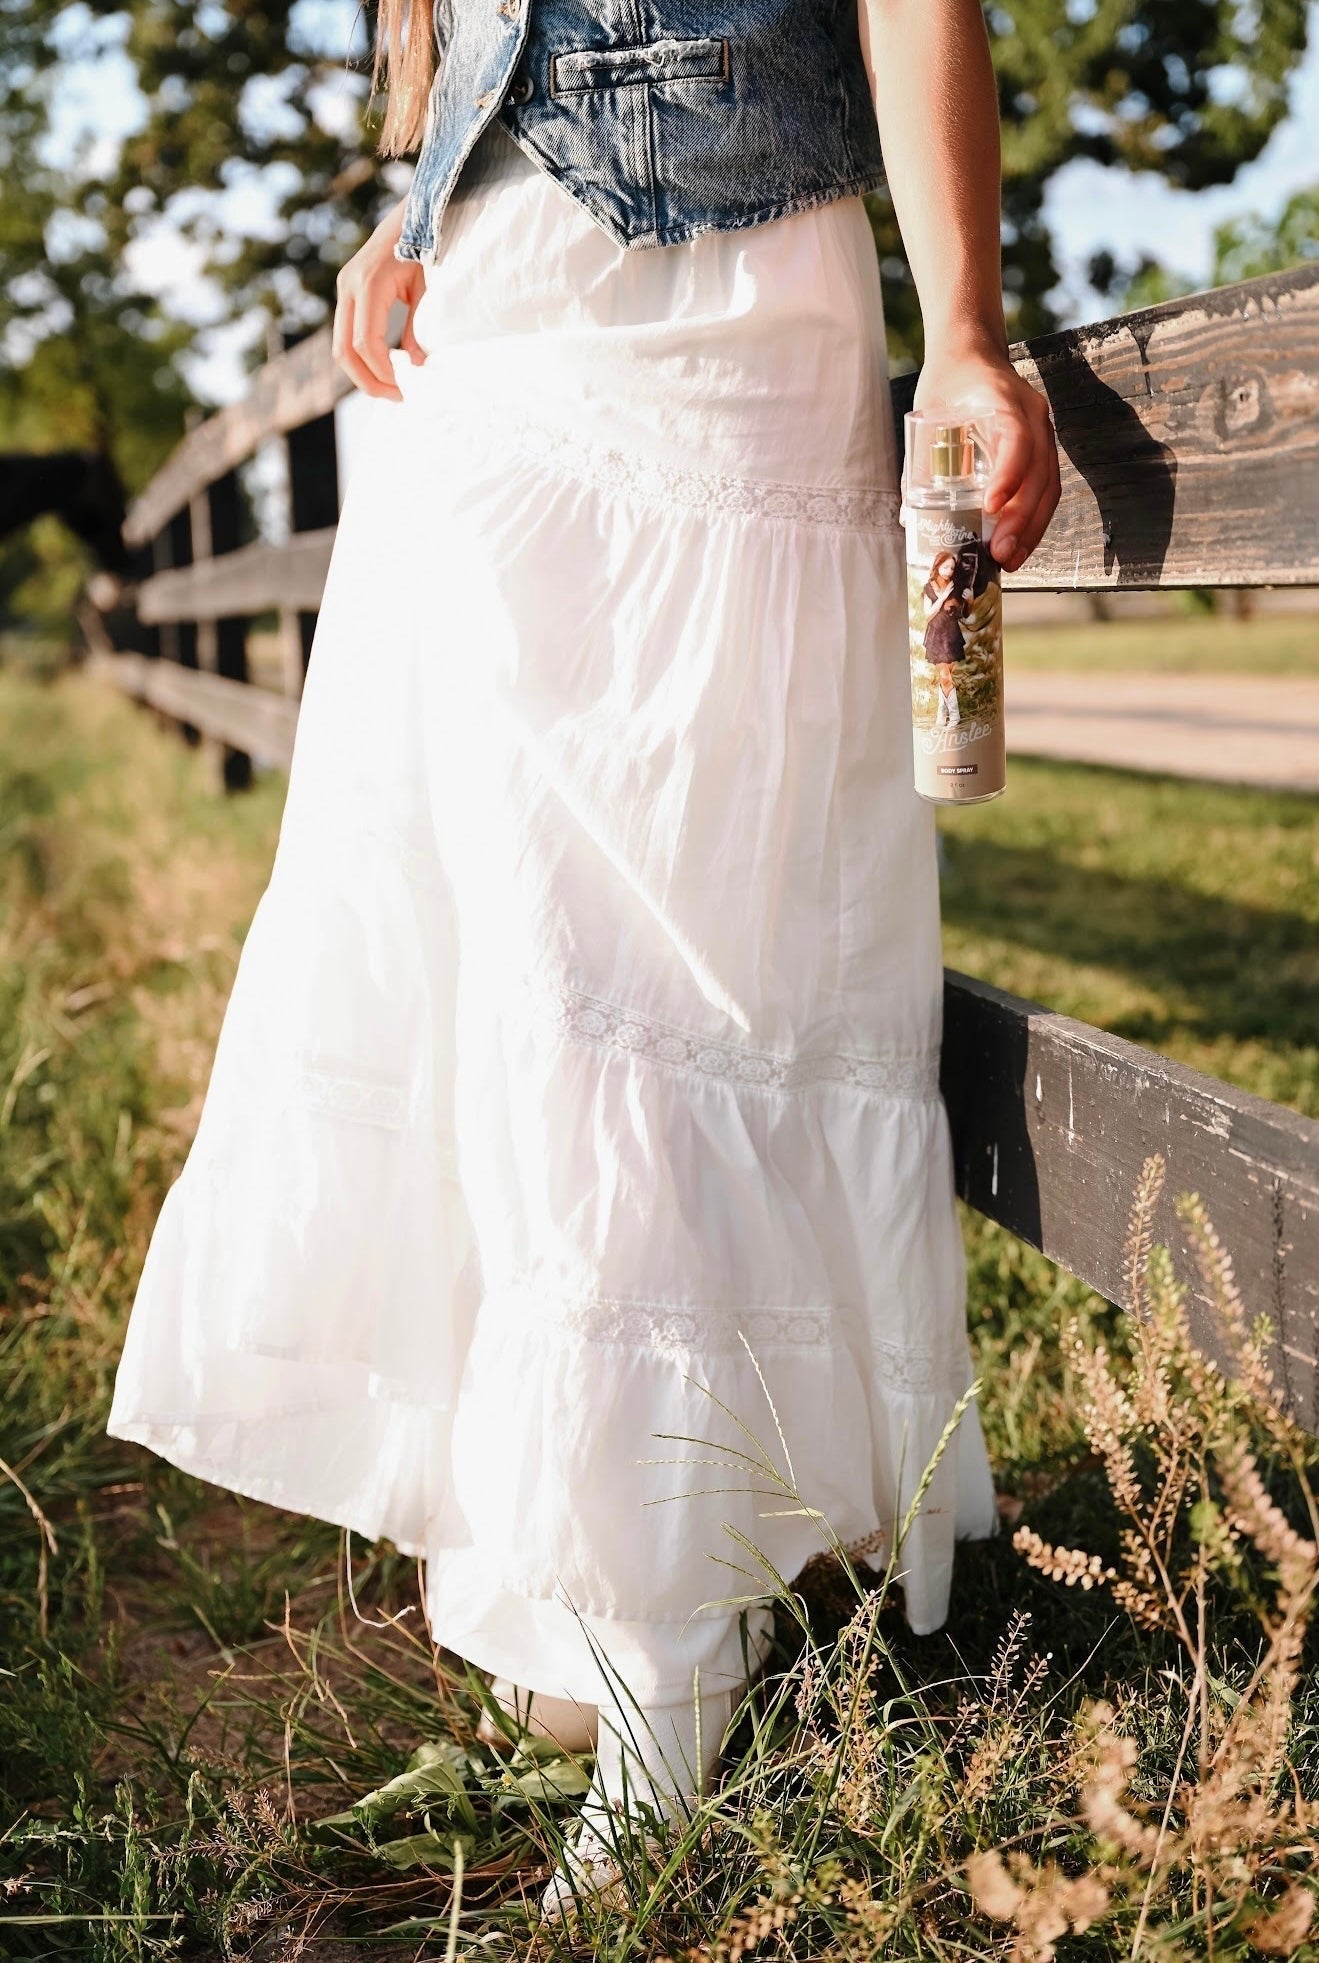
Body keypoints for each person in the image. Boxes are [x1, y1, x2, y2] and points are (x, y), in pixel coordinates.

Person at [107, 0, 1061, 1915]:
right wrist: (416, 210)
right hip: (490, 322)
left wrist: (966, 321)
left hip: (735, 299)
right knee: (517, 942)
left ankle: (670, 1647)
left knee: (693, 950)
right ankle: (610, 1564)